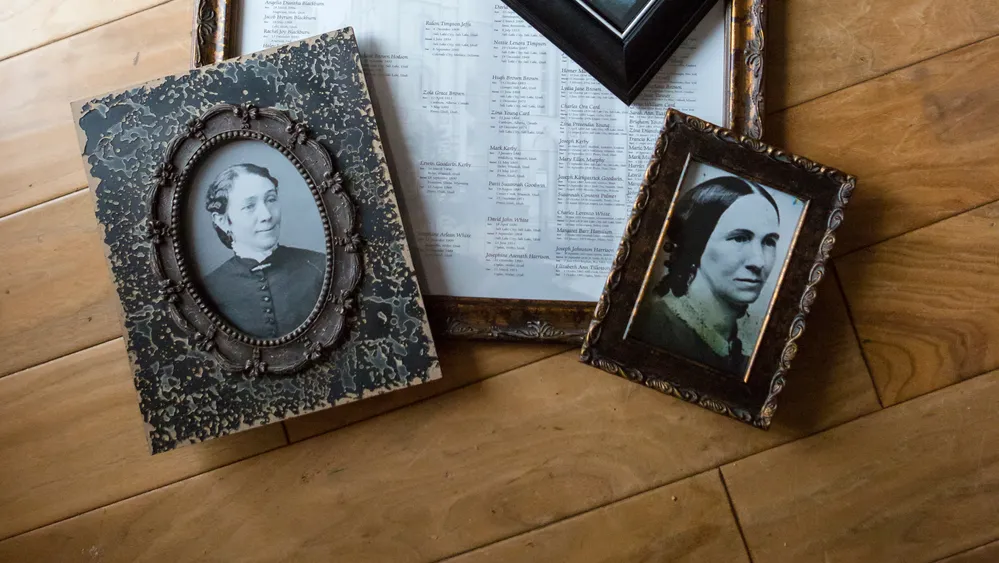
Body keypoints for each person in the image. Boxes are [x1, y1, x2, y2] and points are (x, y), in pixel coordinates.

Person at [631, 175, 781, 375]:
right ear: (696, 245)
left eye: (769, 241)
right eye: (739, 238)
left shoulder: (740, 354)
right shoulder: (654, 328)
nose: (759, 262)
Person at [201, 163, 325, 339]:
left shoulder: (320, 266)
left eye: (271, 199)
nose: (267, 215)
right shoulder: (209, 290)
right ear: (222, 220)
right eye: (249, 206)